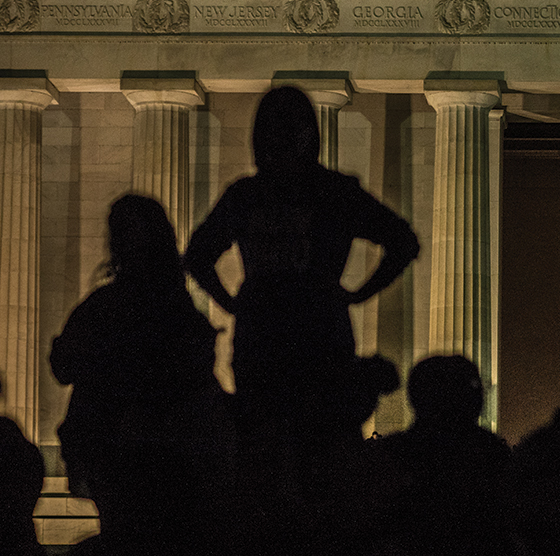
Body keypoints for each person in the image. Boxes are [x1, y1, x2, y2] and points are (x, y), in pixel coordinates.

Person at [184, 85, 420, 445]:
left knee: (266, 441)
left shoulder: (248, 196)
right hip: (317, 323)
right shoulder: (333, 192)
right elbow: (403, 242)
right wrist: (356, 295)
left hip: (266, 328)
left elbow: (197, 255)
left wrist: (232, 303)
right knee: (322, 442)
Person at [50, 194, 228, 533]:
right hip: (153, 449)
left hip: (130, 446)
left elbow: (63, 365)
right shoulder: (172, 309)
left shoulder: (111, 306)